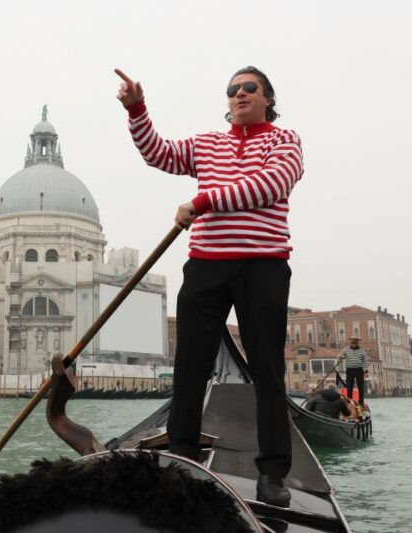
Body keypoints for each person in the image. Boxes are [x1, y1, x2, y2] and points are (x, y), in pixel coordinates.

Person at [116, 65, 303, 507]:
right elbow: (158, 154)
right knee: (190, 366)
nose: (239, 94)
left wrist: (203, 200)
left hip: (263, 267)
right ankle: (182, 456)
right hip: (206, 267)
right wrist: (136, 109)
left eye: (249, 88)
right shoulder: (207, 144)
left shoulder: (285, 141)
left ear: (268, 98)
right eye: (232, 90)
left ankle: (273, 473)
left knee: (267, 370)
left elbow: (269, 185)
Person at [339, 336, 369, 406]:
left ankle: (361, 402)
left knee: (360, 387)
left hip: (359, 370)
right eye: (352, 342)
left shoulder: (362, 351)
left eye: (355, 342)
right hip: (349, 370)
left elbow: (365, 362)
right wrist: (341, 357)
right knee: (349, 387)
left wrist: (366, 371)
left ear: (357, 343)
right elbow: (339, 356)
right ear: (351, 343)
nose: (354, 344)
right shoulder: (346, 350)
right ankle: (349, 401)